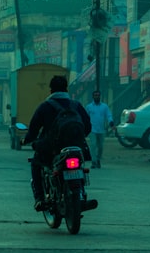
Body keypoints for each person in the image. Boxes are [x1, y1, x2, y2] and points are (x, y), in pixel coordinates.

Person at [22, 75, 91, 211]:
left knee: (36, 164)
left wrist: (27, 140)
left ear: (51, 90)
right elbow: (87, 126)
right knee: (80, 167)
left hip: (51, 149)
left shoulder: (45, 106)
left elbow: (33, 130)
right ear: (66, 89)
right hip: (76, 147)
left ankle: (40, 198)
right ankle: (81, 194)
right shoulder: (76, 105)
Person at [85, 90, 114, 168]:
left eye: (98, 95)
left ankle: (98, 159)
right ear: (93, 96)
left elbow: (108, 115)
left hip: (101, 130)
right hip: (92, 130)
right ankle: (94, 161)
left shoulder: (104, 106)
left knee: (100, 146)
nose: (97, 96)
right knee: (93, 145)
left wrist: (111, 122)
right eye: (95, 95)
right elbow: (85, 117)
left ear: (100, 96)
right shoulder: (89, 107)